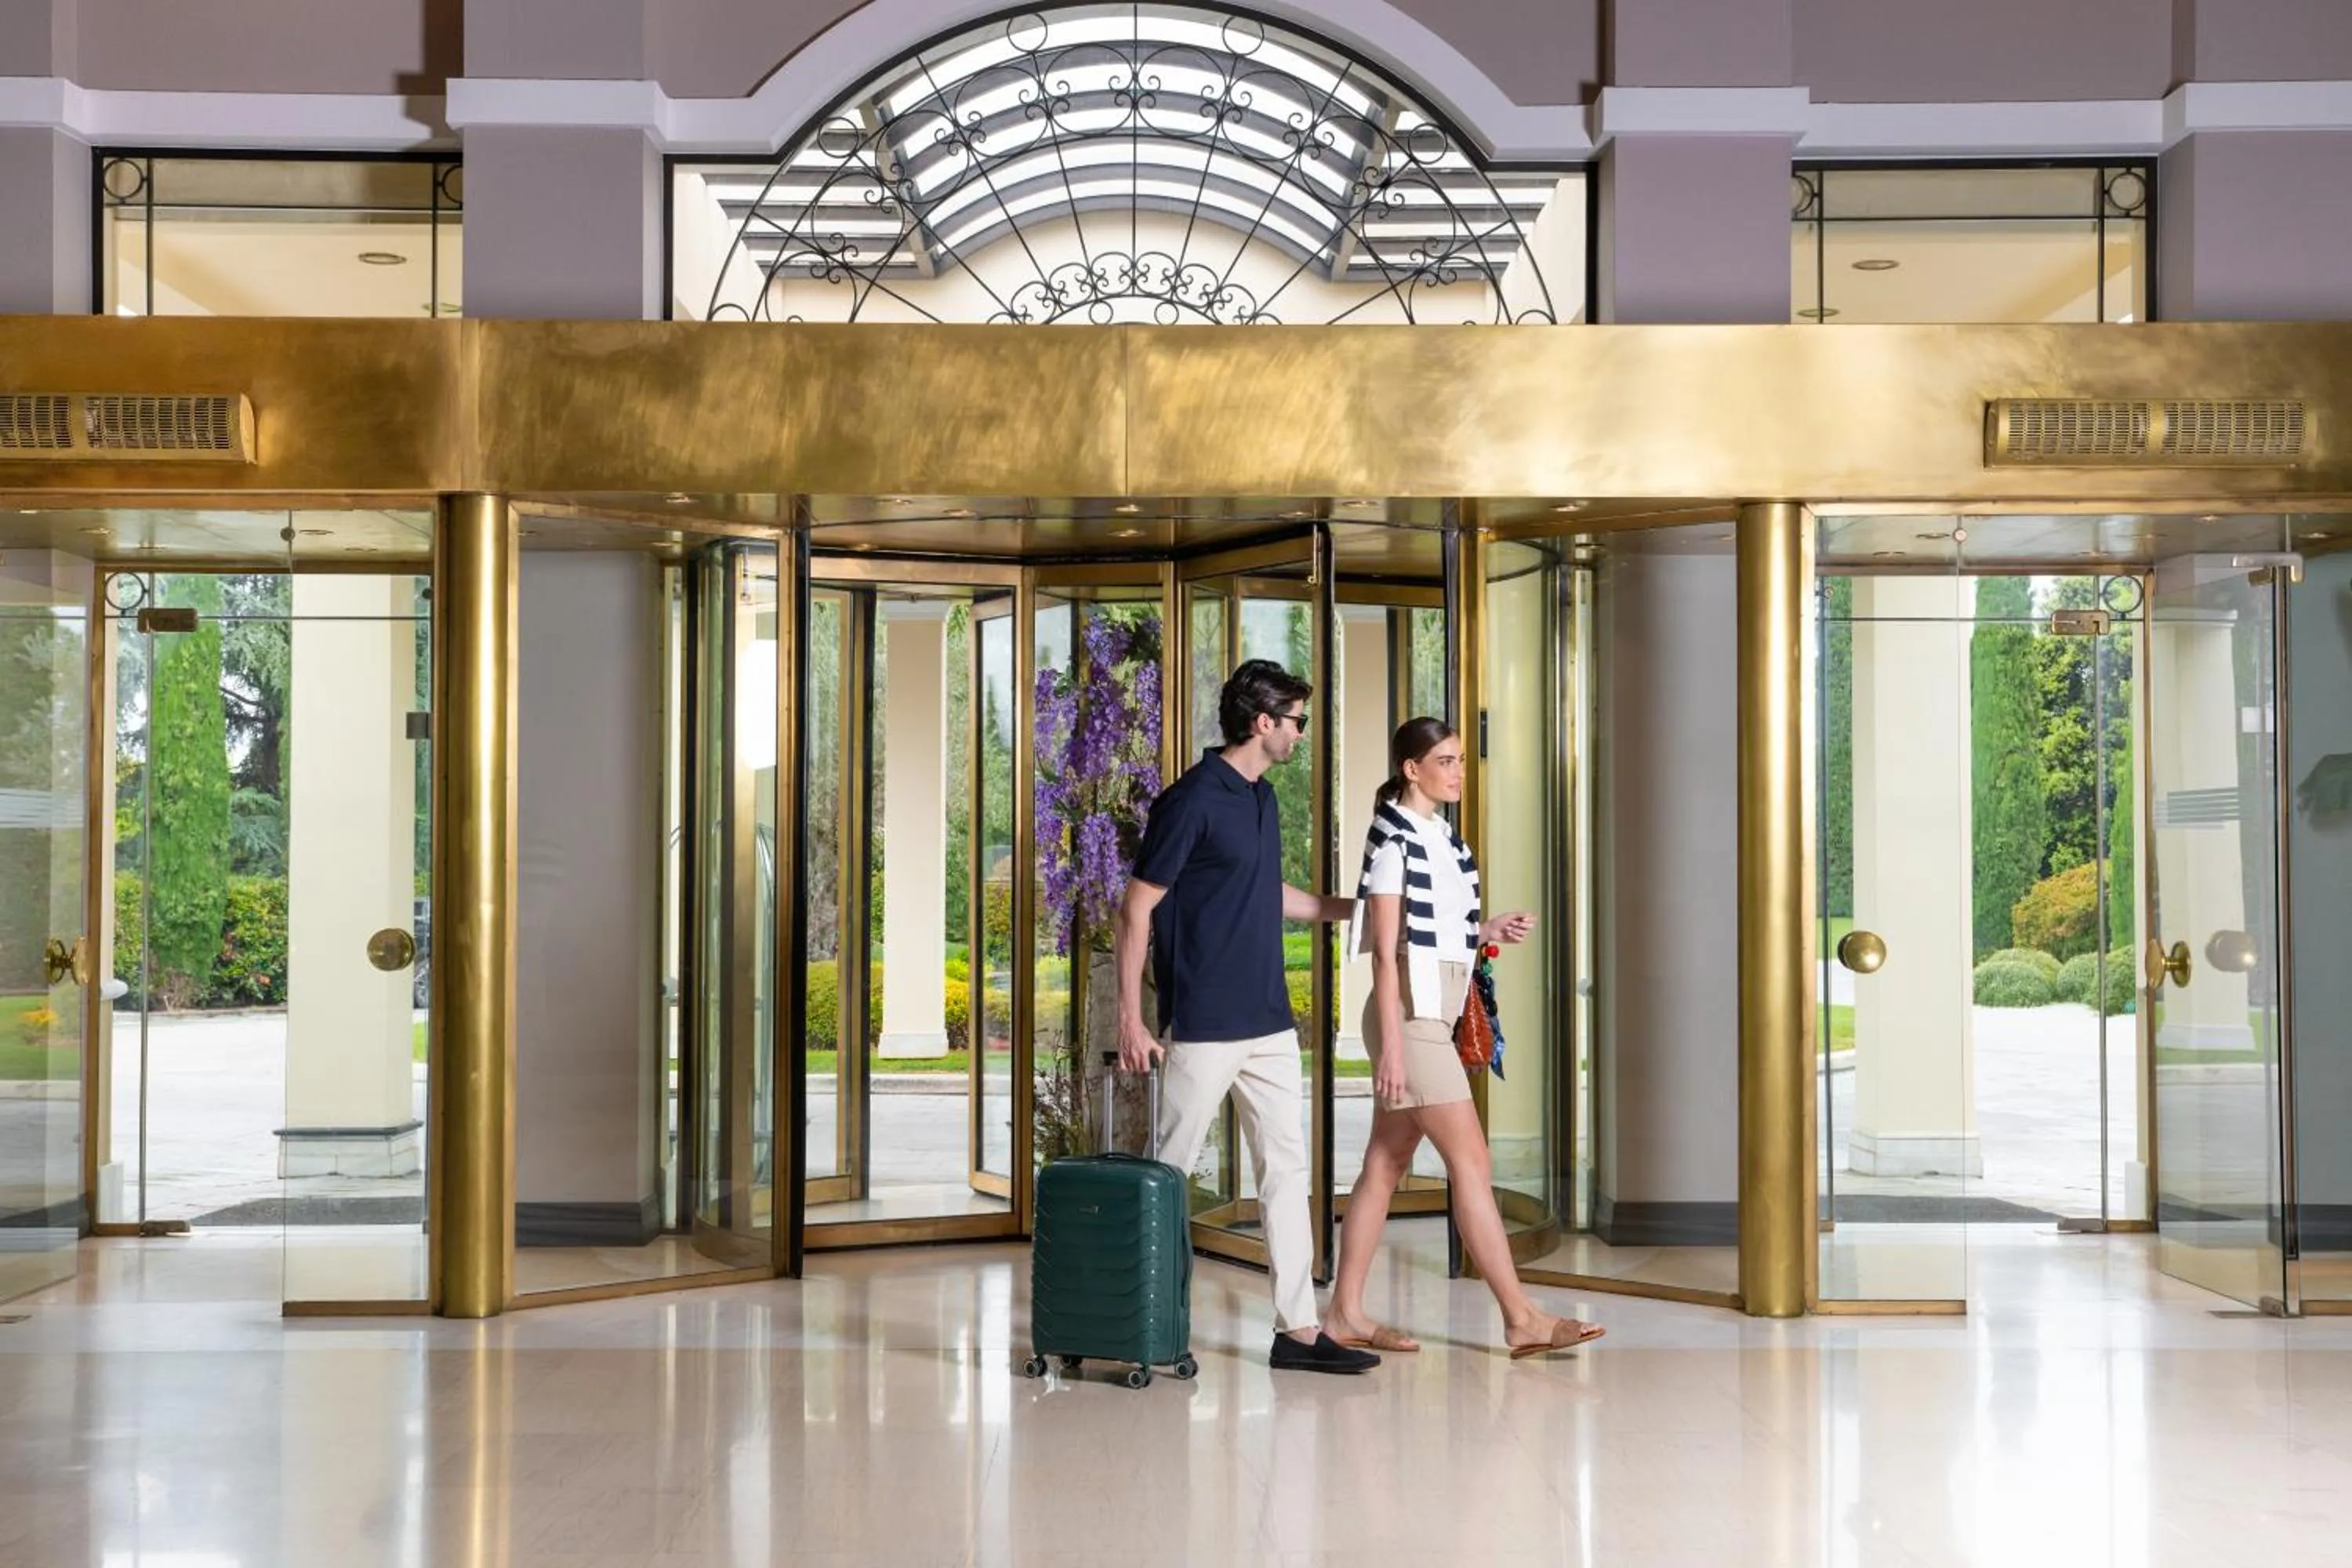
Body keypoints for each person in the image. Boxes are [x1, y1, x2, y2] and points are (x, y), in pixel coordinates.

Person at [1112, 659, 1378, 1375]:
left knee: (1286, 1172)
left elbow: (1263, 891)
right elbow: (1136, 906)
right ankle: (1142, 1320)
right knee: (1168, 1174)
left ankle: (1297, 1331)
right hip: (1201, 1024)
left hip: (1268, 1022)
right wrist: (1132, 1022)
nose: (1301, 733)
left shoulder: (1262, 798)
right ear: (1263, 723)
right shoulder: (1191, 800)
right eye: (1295, 721)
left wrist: (1346, 911)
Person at [1321, 717, 1605, 1359]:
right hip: (1411, 1020)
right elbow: (1388, 954)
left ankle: (1343, 1313)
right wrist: (1392, 1048)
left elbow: (1435, 931)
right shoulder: (1394, 844)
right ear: (1411, 770)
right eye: (1443, 761)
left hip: (1433, 1014)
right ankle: (1521, 1317)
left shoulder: (1442, 840)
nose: (1457, 772)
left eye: (1459, 760)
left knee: (1385, 1164)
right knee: (1471, 1162)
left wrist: (1487, 929)